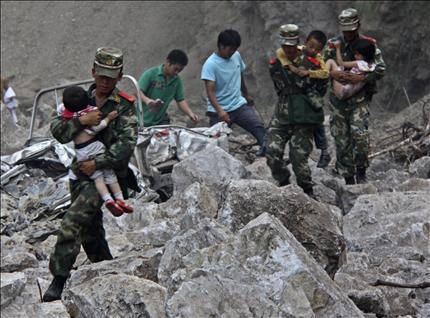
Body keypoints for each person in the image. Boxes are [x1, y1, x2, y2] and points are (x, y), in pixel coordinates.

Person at [42, 47, 139, 302]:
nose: (105, 81)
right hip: (80, 174)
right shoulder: (78, 100)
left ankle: (58, 280)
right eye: (101, 75)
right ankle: (106, 268)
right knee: (90, 229)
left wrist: (97, 163)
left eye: (111, 76)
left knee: (72, 222)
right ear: (93, 72)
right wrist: (81, 122)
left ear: (120, 76)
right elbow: (58, 129)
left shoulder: (124, 106)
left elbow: (126, 144)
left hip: (106, 174)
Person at [322, 8, 386, 184]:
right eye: (345, 29)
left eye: (351, 28)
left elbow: (380, 69)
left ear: (358, 25)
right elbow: (321, 67)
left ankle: (361, 171)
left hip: (359, 100)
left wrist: (363, 77)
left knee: (360, 136)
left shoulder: (368, 45)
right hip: (338, 101)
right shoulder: (332, 45)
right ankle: (348, 178)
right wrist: (333, 74)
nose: (348, 32)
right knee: (341, 139)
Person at [266, 24, 328, 196]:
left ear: (298, 43)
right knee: (271, 152)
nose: (288, 49)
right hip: (283, 115)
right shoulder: (276, 64)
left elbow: (322, 88)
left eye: (291, 45)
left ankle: (307, 191)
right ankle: (284, 181)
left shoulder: (312, 64)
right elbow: (278, 86)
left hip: (304, 117)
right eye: (285, 45)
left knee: (299, 159)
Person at [60, 85, 134, 216]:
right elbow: (97, 127)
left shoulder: (66, 115)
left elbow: (60, 118)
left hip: (81, 153)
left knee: (98, 179)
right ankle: (121, 200)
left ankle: (108, 200)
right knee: (110, 176)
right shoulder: (90, 114)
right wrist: (109, 118)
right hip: (94, 147)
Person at [201, 29, 267, 156]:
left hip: (238, 105)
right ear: (221, 46)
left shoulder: (236, 55)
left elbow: (240, 75)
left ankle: (268, 156)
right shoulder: (210, 65)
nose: (232, 52)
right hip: (218, 112)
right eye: (230, 49)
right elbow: (210, 92)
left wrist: (246, 94)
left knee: (258, 127)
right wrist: (220, 111)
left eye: (235, 48)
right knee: (215, 145)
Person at [277, 29, 332, 168]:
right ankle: (293, 155)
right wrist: (289, 66)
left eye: (316, 49)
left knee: (316, 122)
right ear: (305, 42)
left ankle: (324, 152)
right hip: (295, 96)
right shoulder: (297, 51)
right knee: (293, 124)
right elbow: (280, 53)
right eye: (310, 45)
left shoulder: (318, 60)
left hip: (312, 96)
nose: (312, 50)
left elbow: (325, 73)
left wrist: (309, 73)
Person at [138, 49, 199, 127]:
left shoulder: (177, 80)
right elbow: (138, 91)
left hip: (160, 120)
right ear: (168, 62)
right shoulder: (150, 74)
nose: (177, 72)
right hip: (143, 119)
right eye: (175, 69)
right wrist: (148, 101)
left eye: (180, 70)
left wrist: (190, 114)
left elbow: (180, 100)